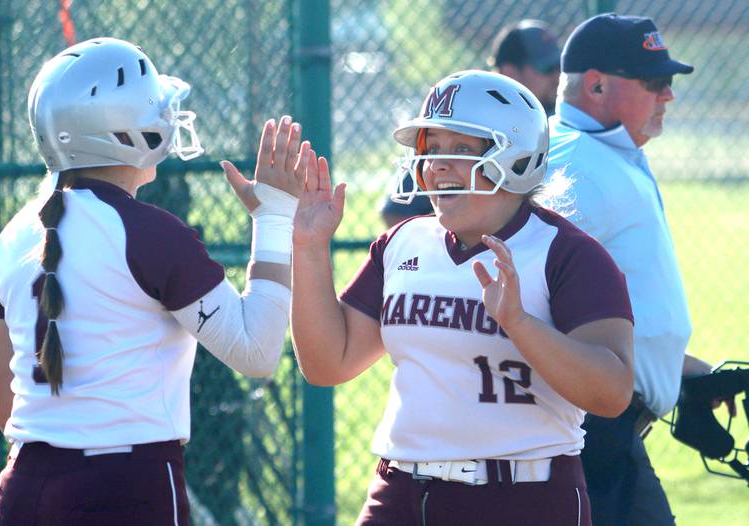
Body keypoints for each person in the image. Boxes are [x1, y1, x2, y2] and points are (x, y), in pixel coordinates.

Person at [0, 37, 306, 525]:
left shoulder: (8, 240)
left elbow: (3, 401)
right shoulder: (149, 233)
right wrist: (276, 217)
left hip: (24, 486)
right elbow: (256, 351)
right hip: (126, 487)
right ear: (123, 131)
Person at [291, 69, 635, 526]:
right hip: (400, 490)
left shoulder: (566, 253)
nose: (436, 166)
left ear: (515, 158)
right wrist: (309, 247)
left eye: (460, 149)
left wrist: (521, 324)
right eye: (431, 151)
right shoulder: (403, 243)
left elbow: (612, 393)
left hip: (520, 496)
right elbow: (326, 363)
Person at [547, 13, 722, 526]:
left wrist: (676, 368)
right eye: (655, 82)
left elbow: (596, 304)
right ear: (597, 85)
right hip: (587, 428)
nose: (668, 95)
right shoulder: (574, 166)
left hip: (606, 426)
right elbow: (537, 300)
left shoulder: (602, 153)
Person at [488, 19, 562, 116]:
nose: (557, 77)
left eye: (559, 66)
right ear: (509, 73)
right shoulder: (485, 121)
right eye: (547, 68)